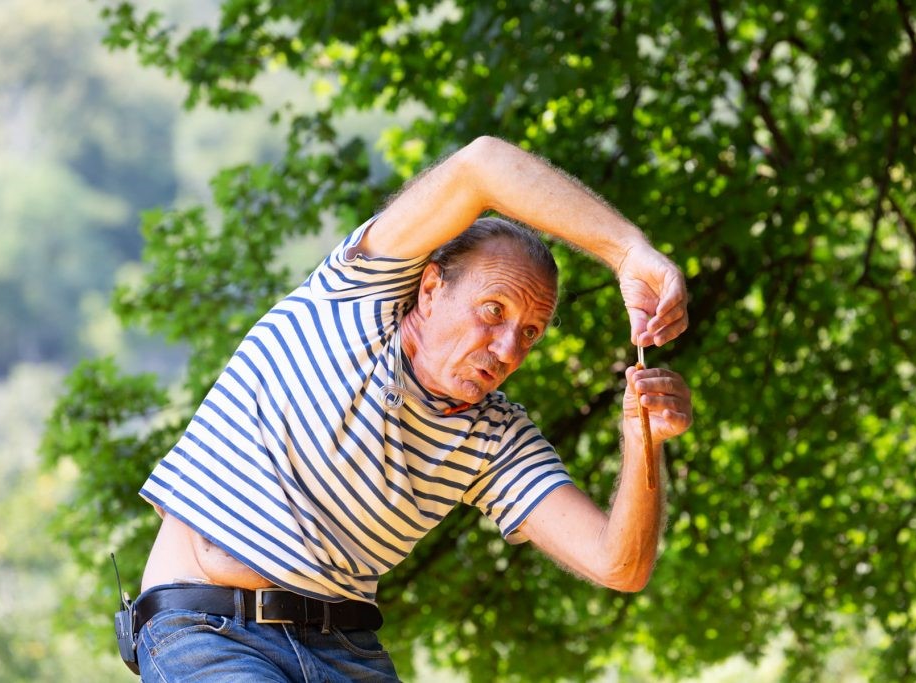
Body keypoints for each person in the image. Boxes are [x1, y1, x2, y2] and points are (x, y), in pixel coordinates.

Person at [129, 136, 693, 681]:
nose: (507, 349)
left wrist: (643, 439)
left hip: (346, 652)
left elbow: (617, 564)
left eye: (530, 333)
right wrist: (627, 251)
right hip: (209, 630)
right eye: (493, 311)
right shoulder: (358, 291)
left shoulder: (492, 438)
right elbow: (483, 166)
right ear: (430, 289)